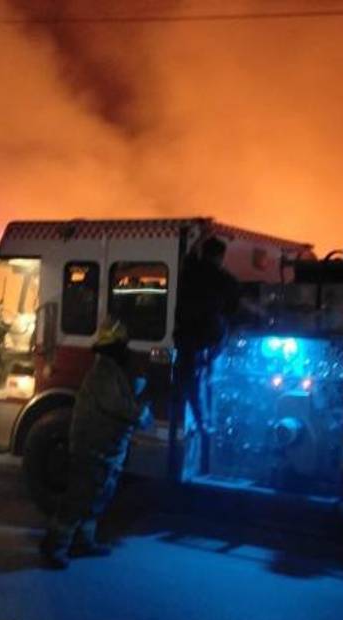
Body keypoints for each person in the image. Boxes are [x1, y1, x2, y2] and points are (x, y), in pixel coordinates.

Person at [40, 318, 151, 569]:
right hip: (93, 446)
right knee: (79, 497)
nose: (126, 347)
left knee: (97, 496)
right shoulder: (103, 372)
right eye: (122, 343)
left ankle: (83, 542)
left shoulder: (112, 368)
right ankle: (54, 546)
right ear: (115, 345)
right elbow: (115, 404)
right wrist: (140, 414)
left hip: (107, 447)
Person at [173, 237, 242, 441]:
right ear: (221, 256)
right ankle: (203, 424)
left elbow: (190, 255)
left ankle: (192, 422)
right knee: (202, 381)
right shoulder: (222, 279)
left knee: (187, 385)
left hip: (185, 339)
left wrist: (200, 235)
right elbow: (233, 306)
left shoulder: (190, 269)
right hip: (207, 341)